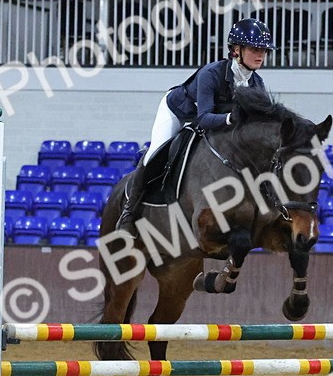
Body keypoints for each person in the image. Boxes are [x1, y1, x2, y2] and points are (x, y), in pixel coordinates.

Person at [115, 18, 275, 232]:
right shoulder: (212, 73)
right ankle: (129, 210)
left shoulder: (257, 84)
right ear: (236, 49)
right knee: (156, 152)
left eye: (264, 50)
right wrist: (231, 119)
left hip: (214, 122)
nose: (261, 55)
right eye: (255, 49)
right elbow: (204, 118)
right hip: (180, 112)